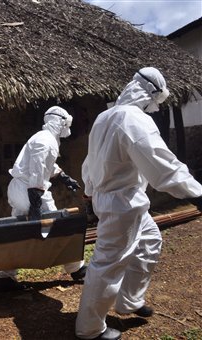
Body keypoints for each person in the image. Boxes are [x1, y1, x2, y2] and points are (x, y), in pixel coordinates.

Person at [75, 67, 202, 340]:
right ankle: (90, 329)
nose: (154, 108)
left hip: (120, 199)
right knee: (108, 264)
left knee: (150, 241)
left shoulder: (104, 117)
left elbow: (90, 161)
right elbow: (162, 164)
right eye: (155, 102)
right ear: (149, 94)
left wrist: (89, 192)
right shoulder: (133, 119)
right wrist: (197, 193)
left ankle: (129, 301)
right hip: (122, 203)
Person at [0, 106, 87, 292]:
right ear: (59, 122)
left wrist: (63, 177)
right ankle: (76, 269)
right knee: (56, 226)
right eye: (66, 123)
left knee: (18, 232)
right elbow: (38, 171)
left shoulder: (44, 139)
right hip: (30, 190)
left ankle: (5, 276)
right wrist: (36, 204)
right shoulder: (45, 141)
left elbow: (46, 165)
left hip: (26, 188)